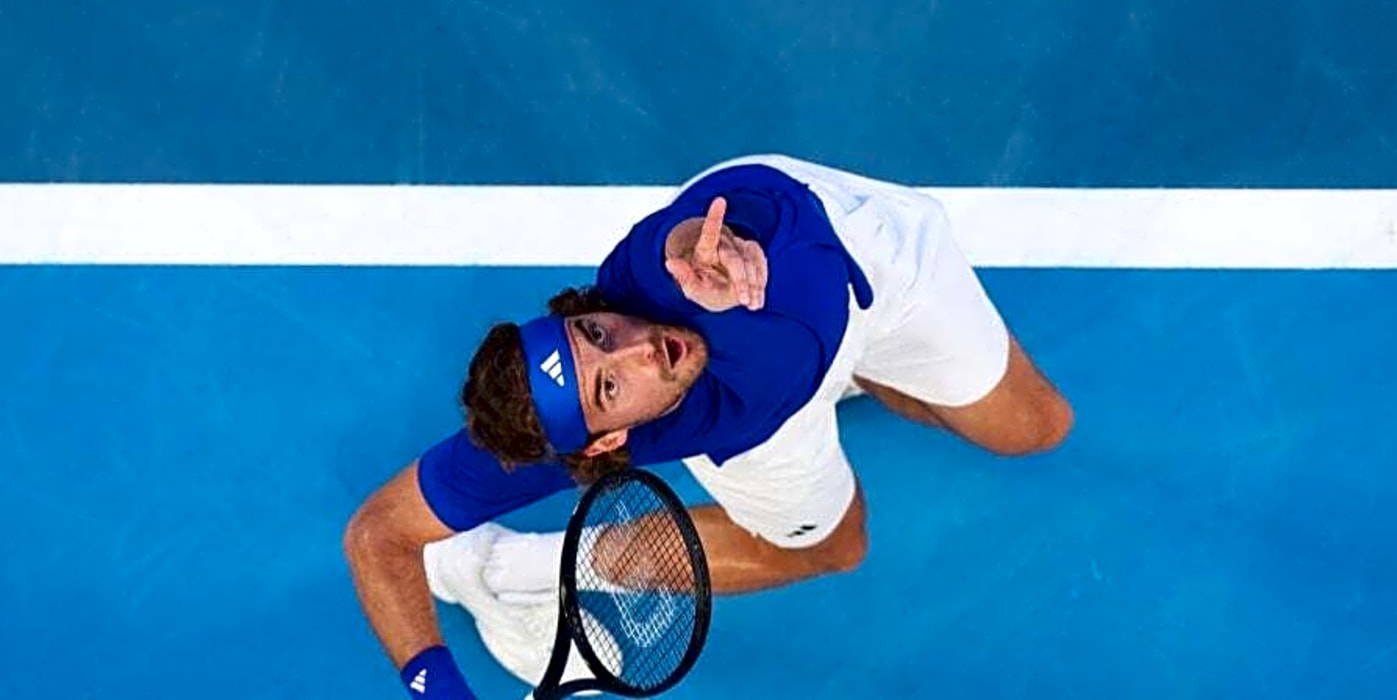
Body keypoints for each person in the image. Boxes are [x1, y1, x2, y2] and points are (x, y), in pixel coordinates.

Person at [343, 155, 1074, 699]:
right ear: (600, 446)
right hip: (755, 429)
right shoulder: (550, 435)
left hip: (874, 279)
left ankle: (856, 376)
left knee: (1035, 428)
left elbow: (720, 224)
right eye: (608, 383)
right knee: (838, 548)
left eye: (595, 332)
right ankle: (507, 572)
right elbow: (379, 534)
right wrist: (440, 691)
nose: (635, 347)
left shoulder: (664, 272)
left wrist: (710, 247)